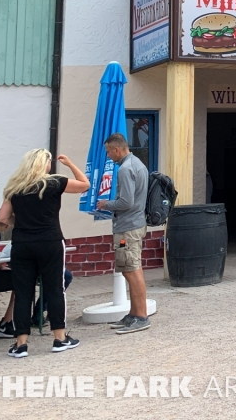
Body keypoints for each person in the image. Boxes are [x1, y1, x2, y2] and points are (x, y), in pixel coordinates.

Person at [0, 149, 90, 357]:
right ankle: (59, 338)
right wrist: (70, 164)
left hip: (22, 244)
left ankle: (20, 344)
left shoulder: (15, 188)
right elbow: (84, 184)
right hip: (50, 242)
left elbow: (3, 217)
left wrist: (19, 221)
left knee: (23, 293)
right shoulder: (55, 183)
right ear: (44, 164)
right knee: (55, 289)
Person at [0, 221, 75, 337]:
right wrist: (2, 265)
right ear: (7, 225)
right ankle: (7, 322)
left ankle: (15, 320)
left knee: (23, 276)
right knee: (23, 278)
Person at [96, 133, 151, 335]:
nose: (109, 156)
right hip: (133, 225)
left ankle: (141, 316)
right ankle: (134, 313)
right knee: (130, 268)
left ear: (117, 149)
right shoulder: (137, 164)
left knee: (131, 269)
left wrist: (105, 204)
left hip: (127, 227)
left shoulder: (126, 169)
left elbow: (126, 202)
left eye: (109, 151)